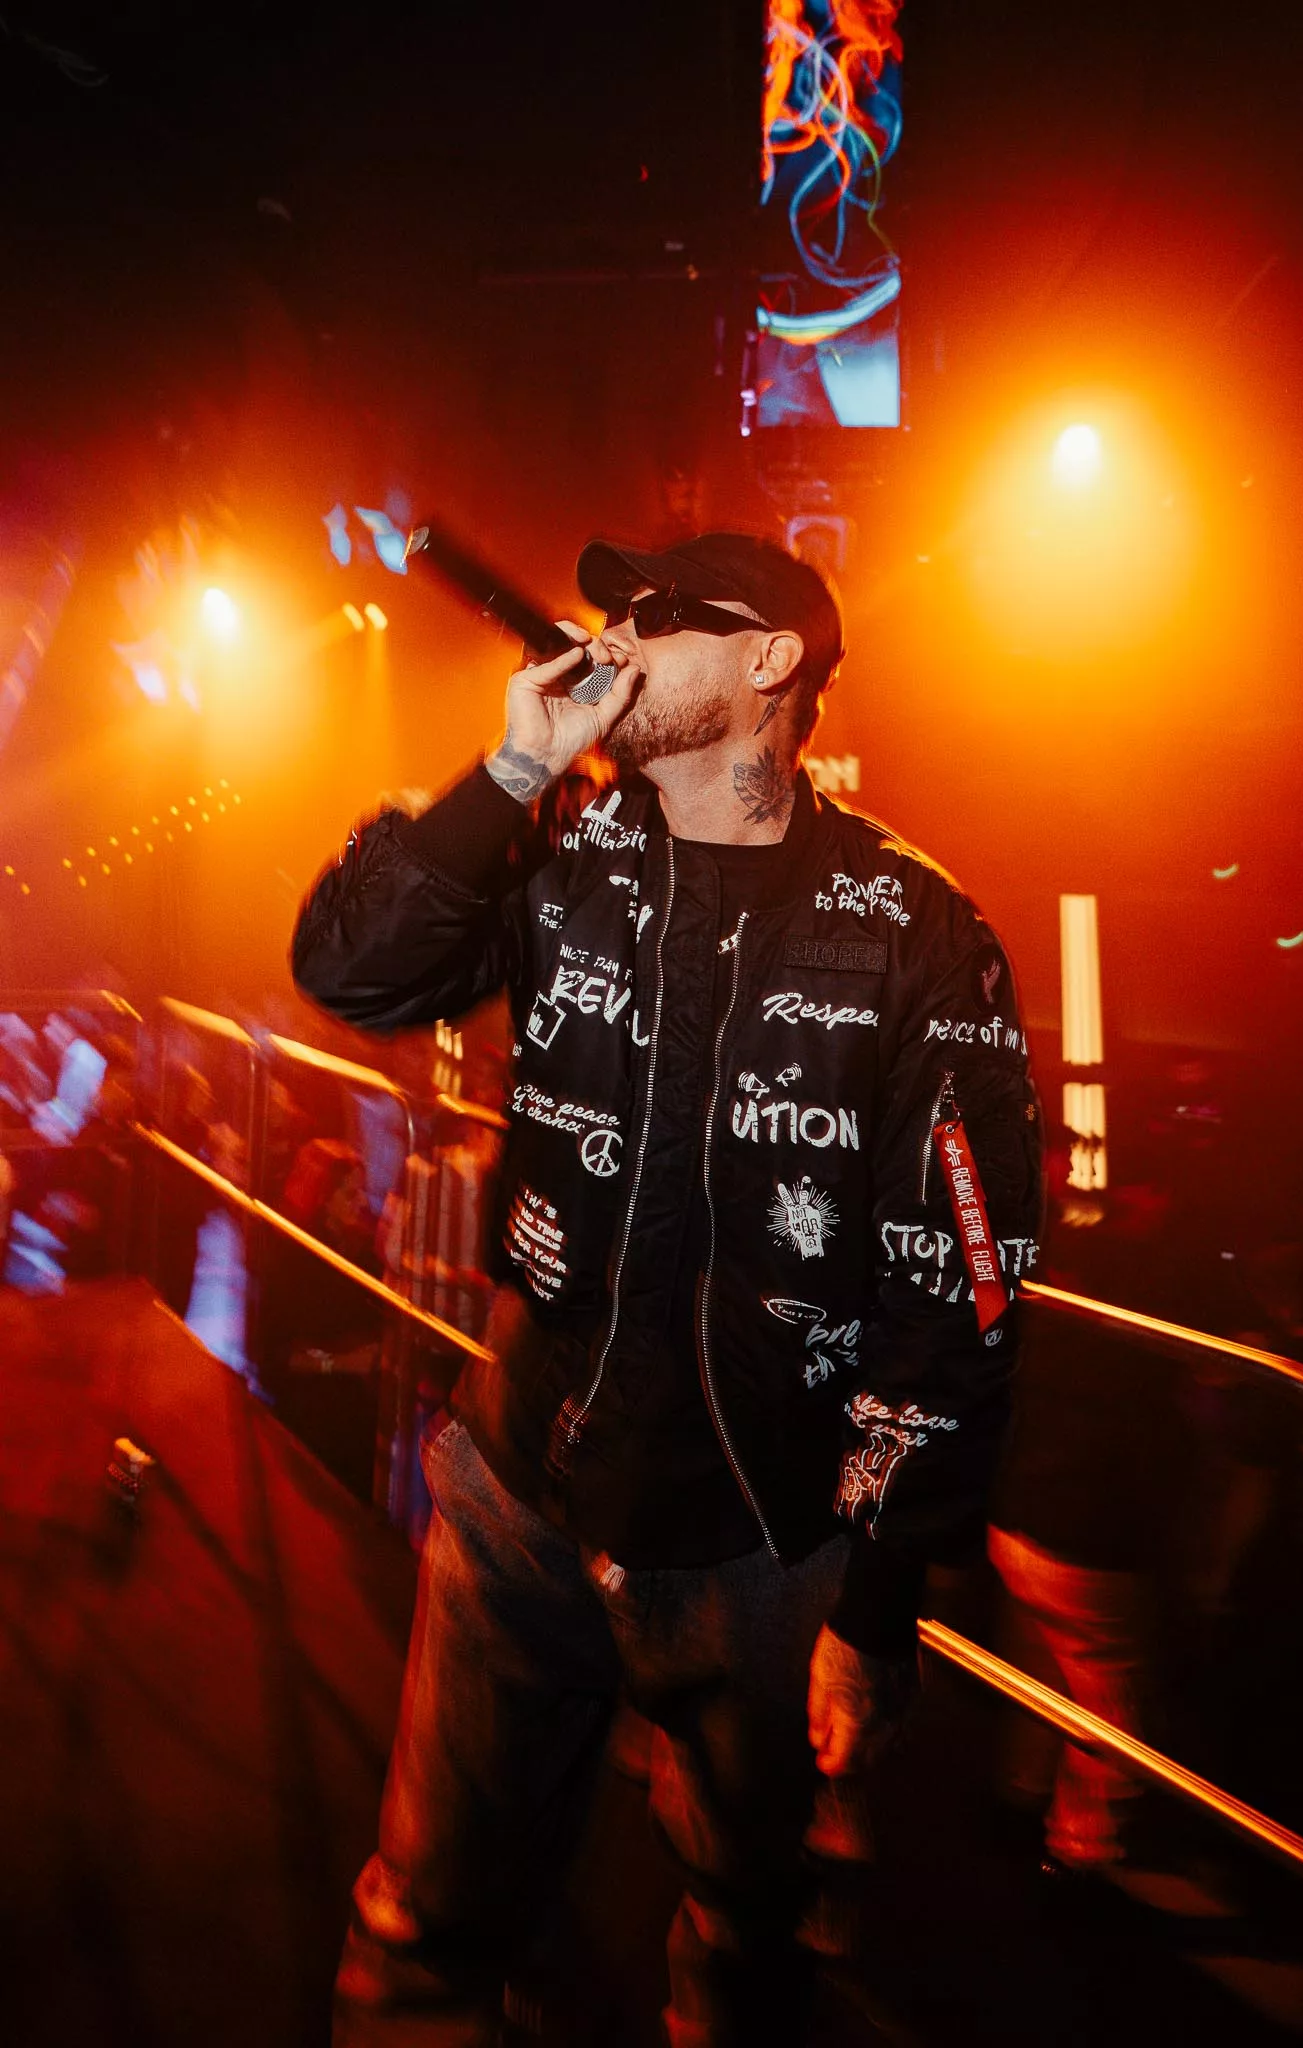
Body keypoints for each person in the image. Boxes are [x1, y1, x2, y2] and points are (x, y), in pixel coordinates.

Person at [292, 531, 1043, 2044]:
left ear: (773, 661)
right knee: (422, 1923)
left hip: (762, 1542)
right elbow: (349, 972)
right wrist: (508, 772)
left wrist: (880, 1599)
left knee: (751, 1950)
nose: (618, 634)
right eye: (612, 608)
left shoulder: (917, 927)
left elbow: (956, 1288)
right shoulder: (558, 850)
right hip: (521, 1484)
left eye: (662, 612)